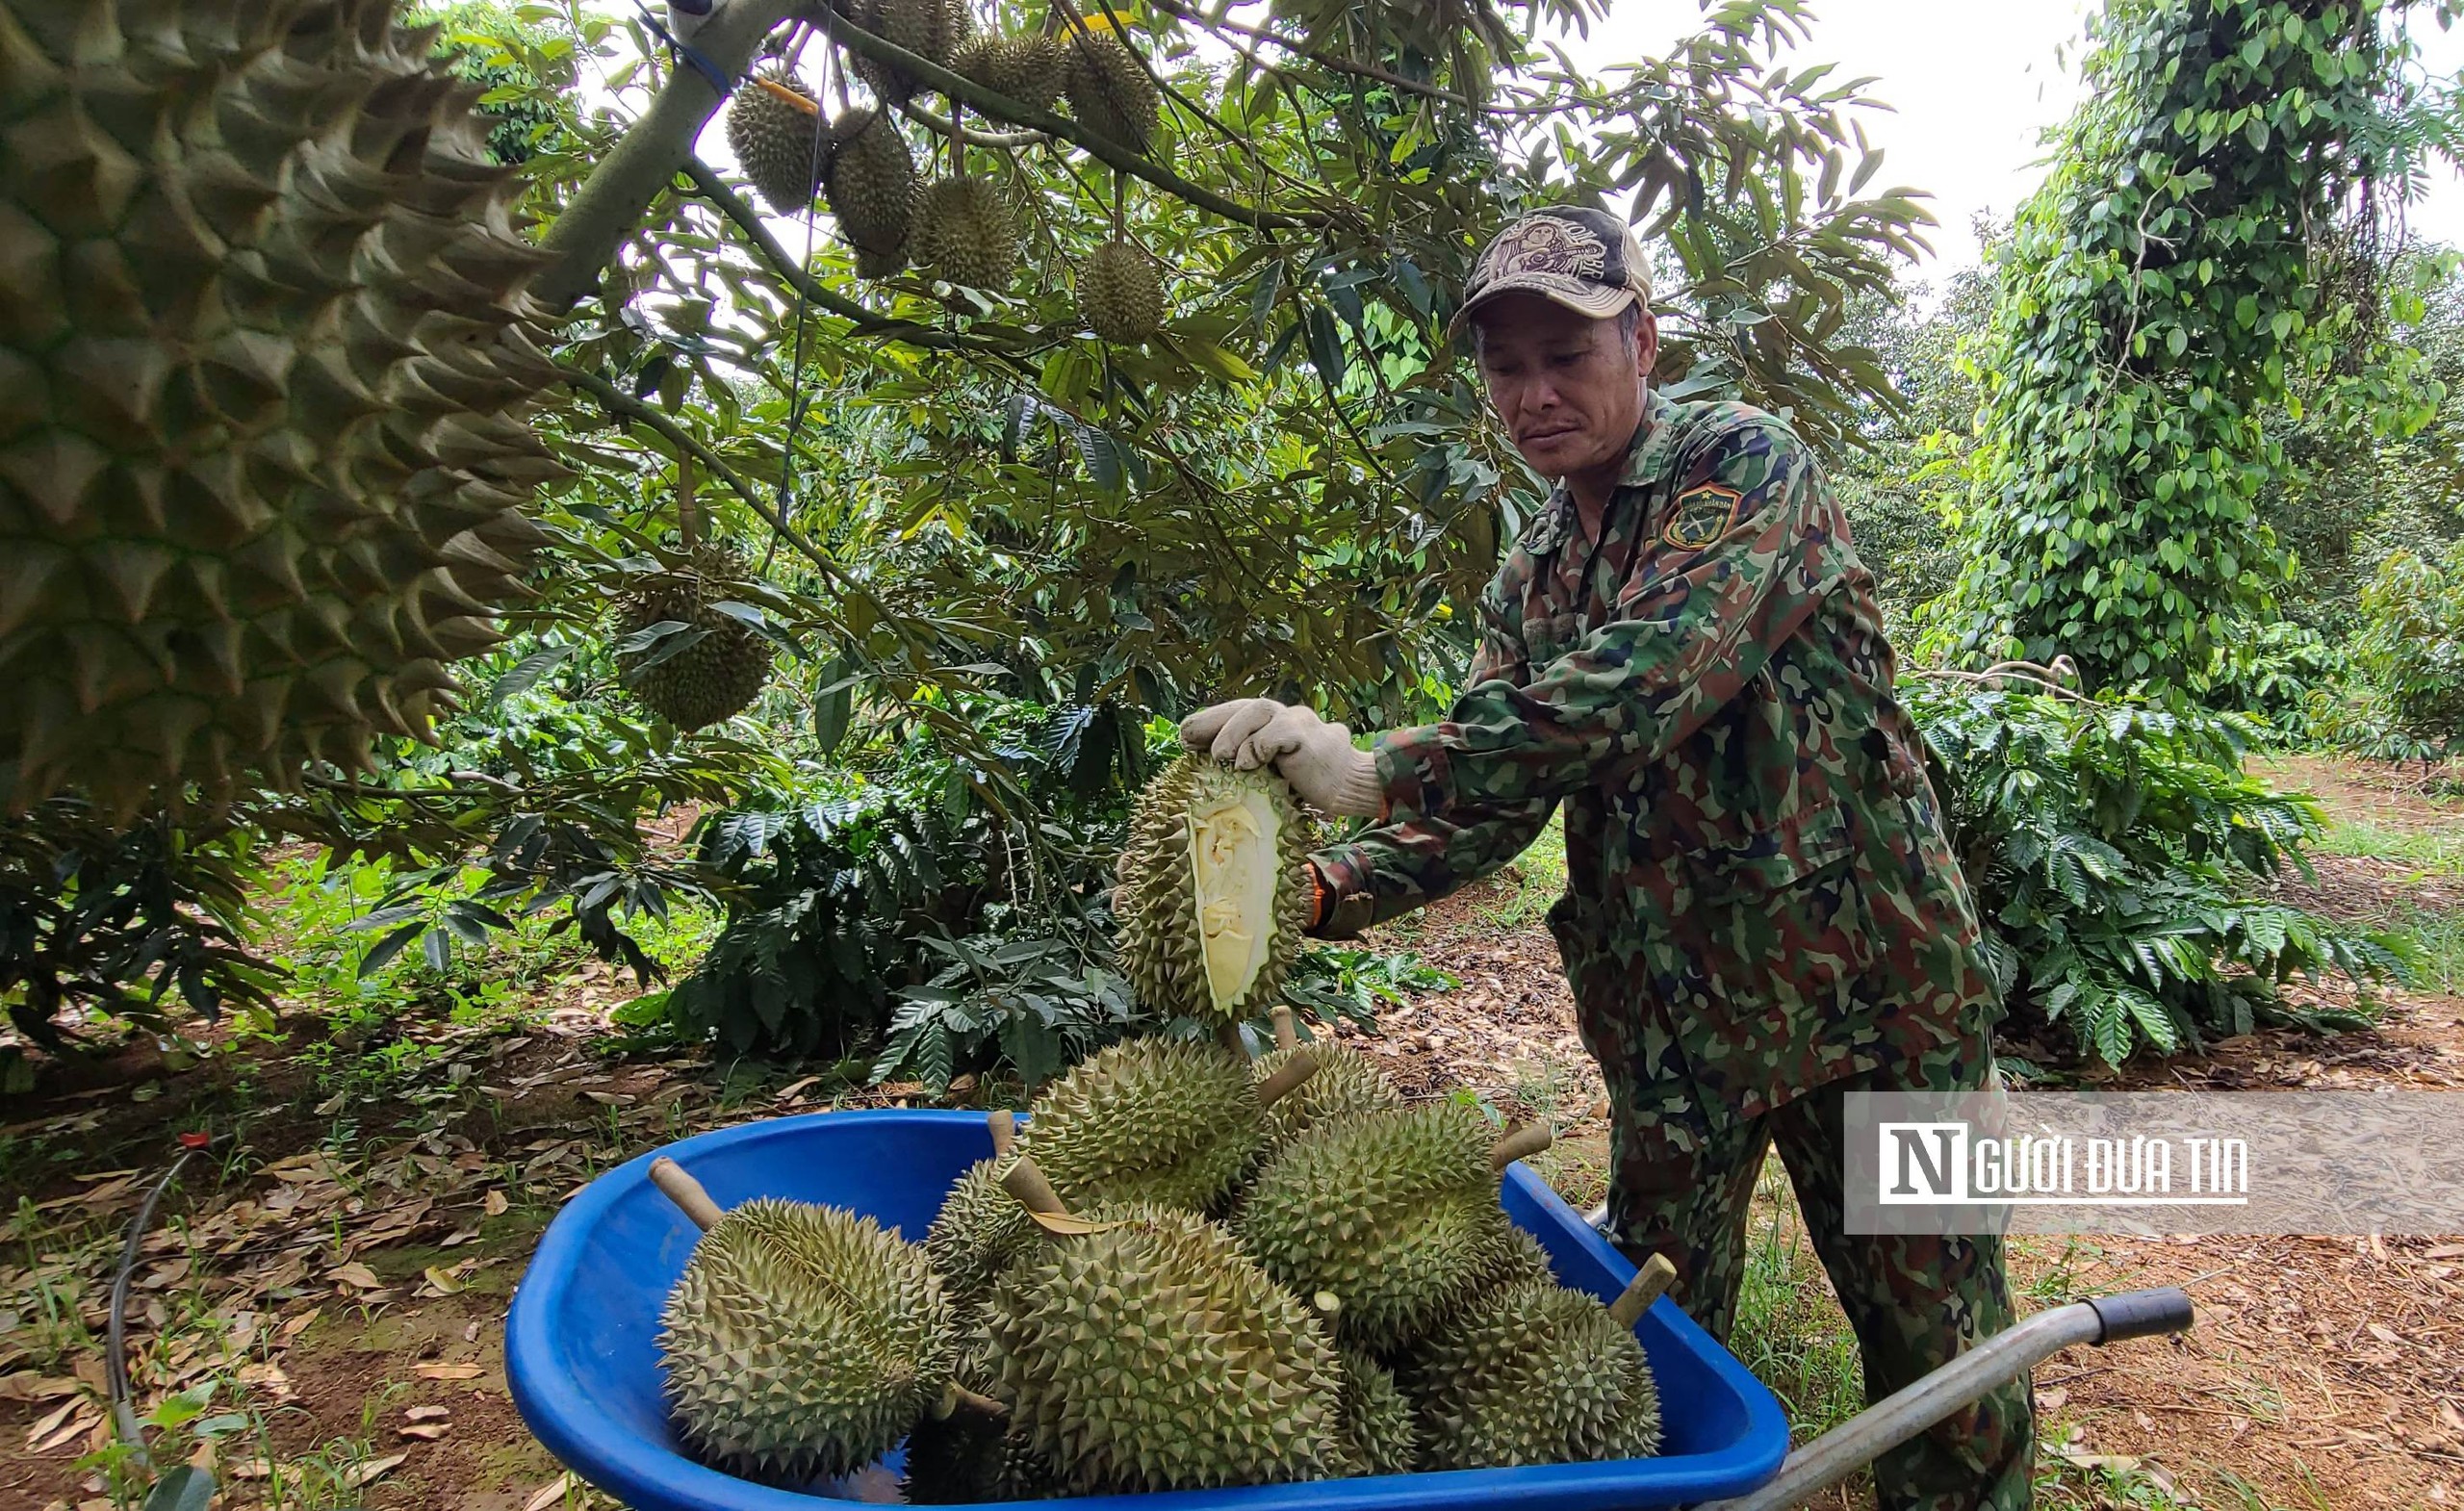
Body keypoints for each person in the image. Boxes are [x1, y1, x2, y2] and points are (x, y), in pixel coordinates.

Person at [1180, 206, 2033, 1511]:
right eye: (1505, 366)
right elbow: (1491, 801)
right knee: (1644, 1350)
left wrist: (1379, 763)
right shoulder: (1530, 575)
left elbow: (1642, 682)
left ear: (1642, 336)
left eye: (1566, 355)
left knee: (1941, 1352)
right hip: (1676, 1025)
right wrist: (1312, 889)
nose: (1534, 395)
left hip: (1871, 1000)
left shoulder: (1746, 468)